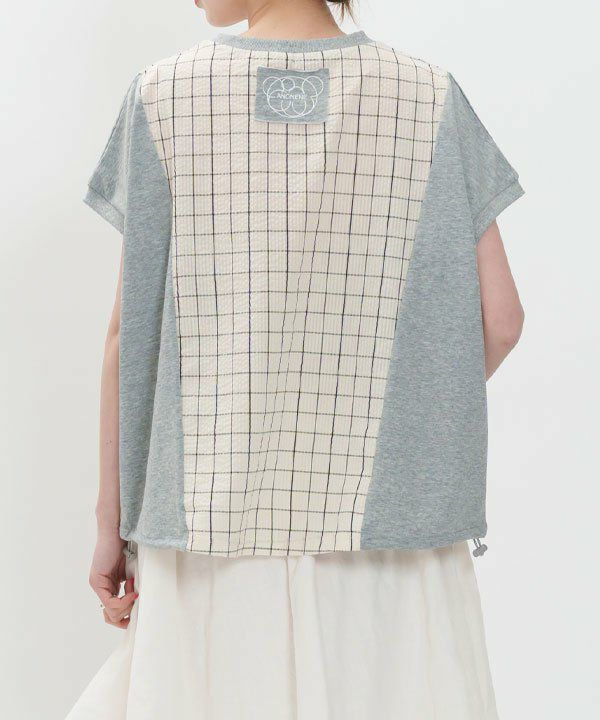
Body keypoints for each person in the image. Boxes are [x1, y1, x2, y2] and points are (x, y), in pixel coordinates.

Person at [68, 0, 524, 717]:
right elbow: (501, 320)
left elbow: (128, 338)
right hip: (393, 529)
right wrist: (410, 416)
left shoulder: (162, 95)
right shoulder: (430, 96)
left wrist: (109, 524)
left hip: (207, 522)